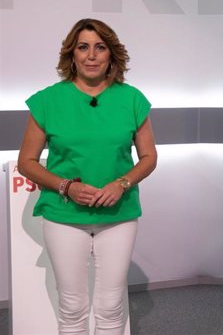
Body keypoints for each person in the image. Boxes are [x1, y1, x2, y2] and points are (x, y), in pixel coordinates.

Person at [17, 18, 158, 334]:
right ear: (72, 54)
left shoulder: (132, 99)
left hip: (118, 216)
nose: (91, 55)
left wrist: (122, 183)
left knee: (111, 307)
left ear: (111, 55)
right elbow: (27, 162)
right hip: (64, 215)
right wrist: (66, 186)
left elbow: (149, 157)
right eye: (83, 47)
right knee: (72, 307)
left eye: (100, 47)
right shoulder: (47, 100)